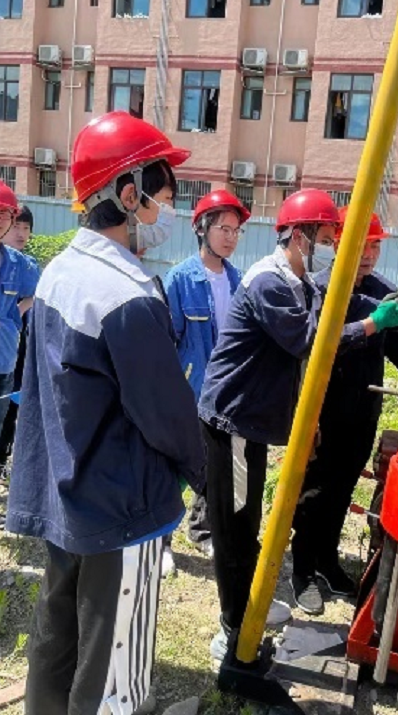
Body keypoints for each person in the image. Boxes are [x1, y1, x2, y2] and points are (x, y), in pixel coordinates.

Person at [6, 112, 206, 715]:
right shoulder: (127, 293)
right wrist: (204, 476)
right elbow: (166, 413)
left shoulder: (60, 273)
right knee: (112, 658)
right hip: (122, 505)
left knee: (58, 632)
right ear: (129, 193)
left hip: (68, 493)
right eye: (163, 199)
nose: (167, 214)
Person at [198, 190, 398, 662]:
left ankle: (247, 606)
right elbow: (312, 342)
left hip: (253, 423)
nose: (332, 247)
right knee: (235, 530)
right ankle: (232, 632)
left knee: (247, 521)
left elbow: (348, 306)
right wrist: (373, 325)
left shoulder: (298, 281)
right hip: (233, 420)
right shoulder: (270, 283)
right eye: (327, 238)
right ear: (299, 237)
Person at [290, 208, 398, 614]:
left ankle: (327, 562)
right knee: (314, 490)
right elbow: (325, 339)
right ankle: (302, 570)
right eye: (361, 245)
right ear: (338, 245)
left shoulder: (384, 289)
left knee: (343, 488)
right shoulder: (321, 288)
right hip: (322, 410)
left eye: (375, 246)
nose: (368, 254)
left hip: (362, 411)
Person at [163, 190, 250, 570]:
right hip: (188, 391)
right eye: (223, 229)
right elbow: (167, 340)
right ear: (201, 229)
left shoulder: (238, 280)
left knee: (217, 467)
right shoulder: (181, 279)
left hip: (225, 393)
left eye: (235, 230)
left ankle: (202, 530)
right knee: (175, 468)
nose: (230, 237)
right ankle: (162, 540)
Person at [0, 181, 39, 527]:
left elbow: (39, 293)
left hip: (4, 364)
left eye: (3, 213)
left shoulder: (20, 265)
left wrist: (16, 313)